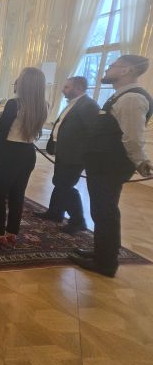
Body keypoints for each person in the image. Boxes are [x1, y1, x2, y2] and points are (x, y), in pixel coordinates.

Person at [71, 55, 152, 277]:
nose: (107, 69)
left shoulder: (132, 98)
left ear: (127, 70)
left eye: (112, 66)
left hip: (110, 165)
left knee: (105, 212)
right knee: (101, 211)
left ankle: (106, 263)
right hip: (102, 163)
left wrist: (140, 161)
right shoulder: (120, 96)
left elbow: (133, 136)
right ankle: (102, 252)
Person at [0, 67, 48, 246]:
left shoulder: (14, 104)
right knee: (18, 194)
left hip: (10, 151)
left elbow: (2, 131)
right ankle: (12, 231)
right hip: (28, 152)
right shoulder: (44, 105)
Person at [35, 76, 99, 234]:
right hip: (64, 151)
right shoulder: (73, 104)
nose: (63, 90)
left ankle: (78, 221)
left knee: (66, 185)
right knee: (59, 182)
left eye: (67, 87)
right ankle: (55, 212)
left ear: (79, 88)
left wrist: (82, 154)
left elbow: (93, 133)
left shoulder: (89, 106)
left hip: (75, 155)